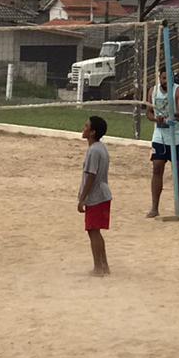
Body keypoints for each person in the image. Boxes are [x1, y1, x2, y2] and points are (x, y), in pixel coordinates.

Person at [146, 68, 179, 218]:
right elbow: (149, 113)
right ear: (160, 77)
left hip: (176, 136)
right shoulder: (153, 91)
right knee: (157, 167)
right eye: (163, 78)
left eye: (168, 78)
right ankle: (154, 207)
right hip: (159, 135)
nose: (165, 82)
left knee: (177, 169)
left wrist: (171, 118)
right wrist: (156, 119)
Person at [78, 115, 112, 277]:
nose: (83, 128)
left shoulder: (93, 151)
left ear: (92, 132)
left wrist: (82, 198)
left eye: (86, 126)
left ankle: (98, 267)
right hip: (103, 193)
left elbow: (90, 176)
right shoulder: (101, 147)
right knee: (96, 231)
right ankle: (104, 265)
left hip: (96, 196)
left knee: (93, 232)